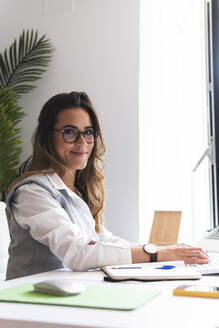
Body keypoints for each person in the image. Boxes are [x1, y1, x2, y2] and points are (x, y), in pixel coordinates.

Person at [6, 91, 209, 279]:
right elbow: (78, 253)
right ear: (47, 136)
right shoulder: (31, 192)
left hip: (67, 294)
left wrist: (163, 250)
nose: (82, 142)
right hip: (27, 302)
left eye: (88, 132)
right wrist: (158, 255)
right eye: (69, 132)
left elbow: (104, 240)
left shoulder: (76, 191)